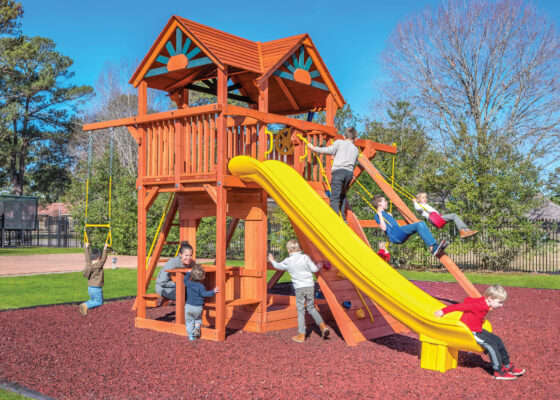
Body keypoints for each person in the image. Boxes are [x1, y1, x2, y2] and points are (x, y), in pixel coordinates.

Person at [434, 285, 526, 380]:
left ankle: (507, 365)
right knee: (491, 344)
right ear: (490, 298)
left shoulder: (484, 303)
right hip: (469, 332)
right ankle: (499, 372)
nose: (501, 305)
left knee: (497, 340)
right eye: (499, 302)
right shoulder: (478, 305)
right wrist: (443, 311)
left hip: (477, 329)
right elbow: (461, 306)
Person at [268, 239, 330, 343]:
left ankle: (301, 334)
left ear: (288, 251)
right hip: (310, 286)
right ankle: (322, 326)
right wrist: (320, 265)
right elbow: (314, 269)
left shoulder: (288, 261)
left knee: (300, 310)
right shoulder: (305, 257)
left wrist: (272, 260)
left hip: (299, 288)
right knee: (311, 307)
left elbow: (278, 266)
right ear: (299, 249)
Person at [307, 126, 360, 221]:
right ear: (356, 138)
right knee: (343, 195)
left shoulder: (340, 142)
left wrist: (314, 148)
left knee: (334, 198)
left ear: (344, 136)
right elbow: (353, 161)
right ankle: (343, 219)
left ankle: (335, 220)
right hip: (349, 174)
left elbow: (329, 150)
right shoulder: (356, 149)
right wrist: (337, 159)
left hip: (339, 172)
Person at [373, 195, 447, 257]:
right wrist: (379, 215)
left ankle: (434, 246)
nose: (387, 202)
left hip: (398, 232)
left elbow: (391, 224)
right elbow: (384, 228)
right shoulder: (378, 215)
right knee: (419, 224)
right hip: (396, 235)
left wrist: (390, 217)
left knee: (421, 224)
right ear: (379, 204)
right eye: (384, 201)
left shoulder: (385, 214)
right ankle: (433, 248)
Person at [414, 192, 478, 238]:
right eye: (423, 198)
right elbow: (417, 208)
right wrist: (415, 202)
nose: (425, 199)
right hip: (435, 220)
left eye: (426, 197)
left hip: (437, 218)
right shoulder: (420, 206)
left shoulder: (426, 205)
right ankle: (463, 231)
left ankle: (466, 231)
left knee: (453, 217)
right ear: (418, 200)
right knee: (453, 215)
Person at [184, 264, 219, 341]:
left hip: (188, 306)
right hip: (198, 307)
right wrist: (213, 291)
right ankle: (197, 327)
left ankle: (191, 335)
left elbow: (185, 280)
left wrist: (188, 273)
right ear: (202, 277)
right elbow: (205, 294)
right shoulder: (201, 286)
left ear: (192, 276)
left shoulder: (188, 284)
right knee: (197, 319)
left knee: (189, 321)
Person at [79, 242, 109, 317]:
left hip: (90, 287)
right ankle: (85, 305)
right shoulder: (99, 265)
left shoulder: (89, 263)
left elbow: (86, 256)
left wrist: (86, 247)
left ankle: (86, 309)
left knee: (93, 300)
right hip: (96, 288)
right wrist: (105, 248)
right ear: (99, 258)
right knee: (98, 301)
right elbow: (104, 259)